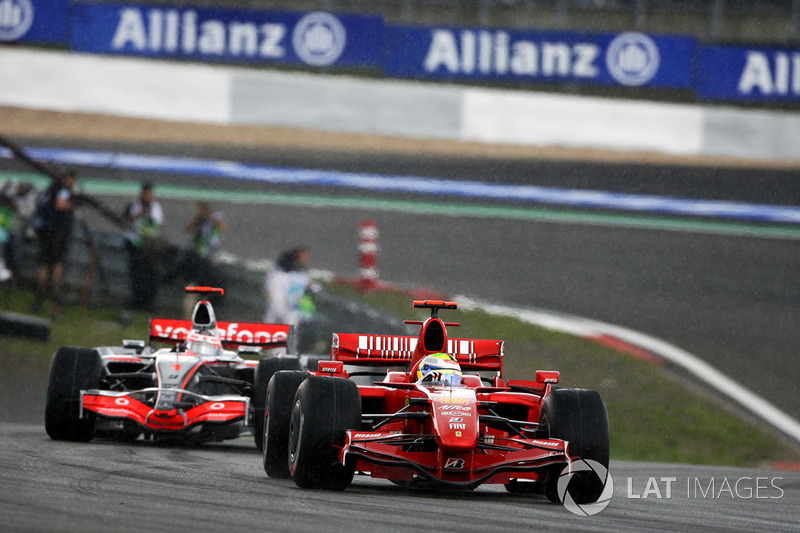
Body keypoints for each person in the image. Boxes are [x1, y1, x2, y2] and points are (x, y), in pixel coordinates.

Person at [31, 171, 77, 318]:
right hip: (57, 233)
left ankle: (38, 299)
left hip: (45, 232)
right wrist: (72, 205)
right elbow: (60, 204)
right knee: (57, 266)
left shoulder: (50, 189)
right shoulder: (63, 190)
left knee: (44, 265)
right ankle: (56, 302)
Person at [124, 182, 164, 311]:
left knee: (151, 275)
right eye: (145, 193)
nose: (147, 196)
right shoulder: (134, 205)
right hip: (136, 244)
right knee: (137, 274)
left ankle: (148, 303)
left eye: (149, 193)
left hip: (151, 246)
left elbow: (160, 224)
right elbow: (126, 220)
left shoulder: (156, 207)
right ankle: (137, 301)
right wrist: (140, 214)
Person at [263, 246, 317, 327]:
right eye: (304, 256)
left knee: (291, 319)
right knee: (276, 316)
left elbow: (312, 286)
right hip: (283, 304)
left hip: (292, 307)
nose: (306, 259)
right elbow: (277, 297)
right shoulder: (280, 273)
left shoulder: (301, 272)